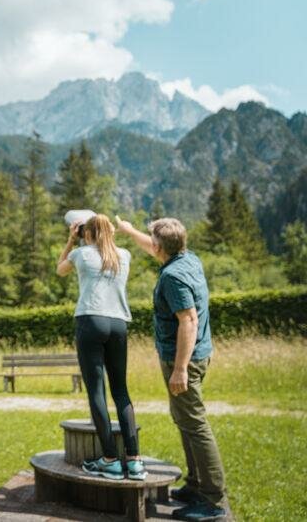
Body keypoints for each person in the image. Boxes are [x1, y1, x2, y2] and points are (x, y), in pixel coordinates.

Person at [115, 215, 228, 521]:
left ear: (159, 245)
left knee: (195, 422)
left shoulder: (172, 278)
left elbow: (188, 320)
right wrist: (128, 231)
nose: (150, 244)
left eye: (151, 239)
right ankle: (196, 484)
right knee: (185, 419)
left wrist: (180, 369)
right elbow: (154, 247)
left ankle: (213, 499)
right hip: (196, 354)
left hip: (184, 359)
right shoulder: (188, 259)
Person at [56, 213, 146, 480]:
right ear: (111, 232)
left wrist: (70, 240)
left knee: (97, 391)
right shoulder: (125, 255)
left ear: (86, 233)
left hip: (91, 321)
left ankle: (109, 459)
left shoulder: (81, 254)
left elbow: (59, 268)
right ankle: (134, 461)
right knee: (121, 391)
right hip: (119, 323)